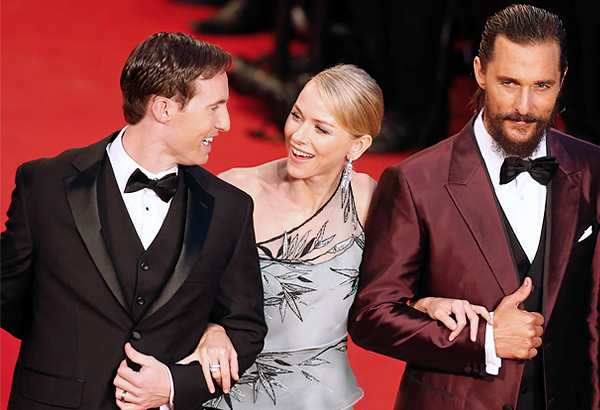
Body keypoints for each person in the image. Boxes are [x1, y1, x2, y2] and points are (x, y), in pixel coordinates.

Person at [178, 64, 493, 410]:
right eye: (297, 116)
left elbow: (388, 292)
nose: (299, 136)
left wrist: (428, 302)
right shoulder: (237, 192)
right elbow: (178, 293)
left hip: (321, 398)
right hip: (232, 391)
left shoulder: (367, 200)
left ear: (357, 146)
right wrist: (211, 329)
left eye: (321, 129)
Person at [349, 4, 600, 410]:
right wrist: (484, 341)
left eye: (542, 86)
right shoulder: (416, 180)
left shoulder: (592, 168)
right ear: (480, 72)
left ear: (562, 80)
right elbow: (372, 316)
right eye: (509, 83)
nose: (524, 106)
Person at [1, 32, 267, 409]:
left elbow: (245, 326)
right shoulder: (44, 186)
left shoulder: (230, 208)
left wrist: (175, 384)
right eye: (214, 107)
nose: (224, 123)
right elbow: (7, 295)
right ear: (163, 109)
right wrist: (62, 345)